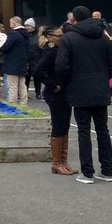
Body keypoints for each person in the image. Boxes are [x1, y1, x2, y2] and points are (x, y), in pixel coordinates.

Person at [55, 7, 112, 184]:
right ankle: (107, 170)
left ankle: (87, 172)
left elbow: (61, 66)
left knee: (83, 131)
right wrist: (103, 77)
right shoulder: (103, 37)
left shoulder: (69, 38)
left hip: (79, 87)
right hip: (100, 87)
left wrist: (66, 82)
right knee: (103, 130)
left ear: (73, 18)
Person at [34, 26, 77, 175]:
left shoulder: (62, 50)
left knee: (65, 126)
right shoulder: (50, 52)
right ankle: (56, 163)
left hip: (65, 93)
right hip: (55, 94)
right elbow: (38, 70)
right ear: (49, 37)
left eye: (62, 35)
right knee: (58, 127)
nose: (61, 38)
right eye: (58, 36)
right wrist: (54, 85)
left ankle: (63, 161)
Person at [0, 17, 30, 103]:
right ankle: (24, 104)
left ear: (14, 23)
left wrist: (0, 48)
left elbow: (5, 48)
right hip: (22, 63)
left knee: (12, 86)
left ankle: (13, 106)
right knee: (22, 86)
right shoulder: (26, 35)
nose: (9, 25)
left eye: (10, 22)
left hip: (12, 64)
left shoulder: (13, 34)